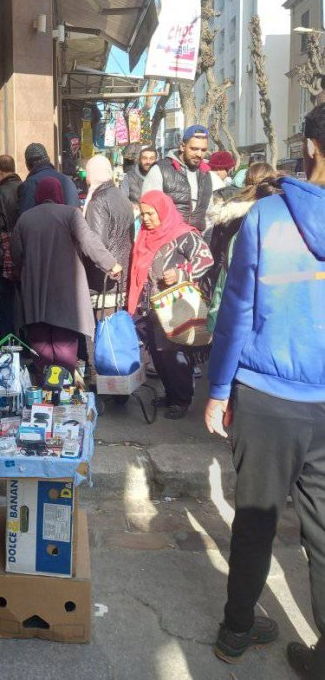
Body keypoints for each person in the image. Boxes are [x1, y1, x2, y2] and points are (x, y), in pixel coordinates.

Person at [205, 102, 325, 675]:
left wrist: (217, 390)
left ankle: (236, 631)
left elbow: (236, 313)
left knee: (254, 519)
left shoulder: (265, 218)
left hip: (267, 397)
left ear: (310, 148)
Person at [11, 177, 121, 380]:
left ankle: (45, 398)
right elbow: (89, 241)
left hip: (35, 295)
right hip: (65, 294)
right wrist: (110, 264)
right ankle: (65, 396)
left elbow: (16, 254)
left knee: (41, 348)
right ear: (59, 194)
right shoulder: (71, 214)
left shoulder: (24, 219)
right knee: (64, 348)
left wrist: (27, 274)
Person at [127, 191, 213, 419]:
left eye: (150, 214)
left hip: (172, 306)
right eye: (143, 214)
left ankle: (182, 399)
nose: (146, 219)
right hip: (148, 306)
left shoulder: (183, 235)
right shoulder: (144, 235)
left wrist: (181, 273)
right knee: (157, 355)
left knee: (173, 354)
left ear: (162, 211)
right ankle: (171, 394)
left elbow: (206, 259)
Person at [206, 162, 277, 293]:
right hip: (267, 278)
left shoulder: (228, 210)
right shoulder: (277, 210)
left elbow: (217, 250)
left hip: (229, 277)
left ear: (245, 180)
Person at [83, 155, 133, 307]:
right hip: (121, 276)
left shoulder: (98, 202)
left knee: (104, 328)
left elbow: (96, 243)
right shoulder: (121, 196)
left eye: (87, 174)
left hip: (104, 281)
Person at [142, 125, 213, 231]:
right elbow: (148, 210)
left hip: (196, 241)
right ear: (182, 146)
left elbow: (208, 214)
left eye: (203, 150)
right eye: (194, 149)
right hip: (167, 240)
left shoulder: (206, 174)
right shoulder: (160, 170)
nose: (199, 154)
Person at [0, 154, 22, 339]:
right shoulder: (24, 187)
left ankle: (8, 340)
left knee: (5, 301)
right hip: (23, 251)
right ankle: (24, 339)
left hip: (5, 256)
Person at [17, 142, 79, 215]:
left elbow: (25, 219)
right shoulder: (67, 181)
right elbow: (76, 214)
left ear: (27, 165)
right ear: (48, 159)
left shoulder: (29, 184)